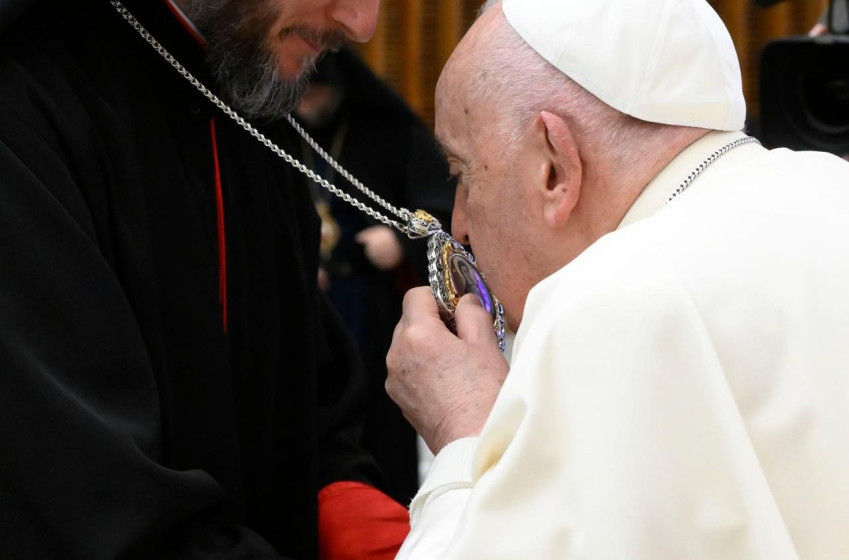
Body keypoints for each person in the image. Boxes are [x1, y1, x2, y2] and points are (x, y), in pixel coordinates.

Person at [385, 0, 849, 558]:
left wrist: (463, 433)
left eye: (462, 173)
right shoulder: (832, 185)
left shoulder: (602, 306)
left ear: (554, 168)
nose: (459, 222)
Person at [0, 0, 412, 558]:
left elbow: (308, 401)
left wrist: (362, 523)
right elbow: (86, 499)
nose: (361, 25)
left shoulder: (243, 85)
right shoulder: (25, 96)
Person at [289, 47, 455, 505]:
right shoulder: (282, 132)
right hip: (307, 307)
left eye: (317, 92)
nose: (308, 103)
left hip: (373, 307)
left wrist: (400, 241)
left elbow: (441, 212)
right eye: (301, 93)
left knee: (379, 424)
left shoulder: (387, 130)